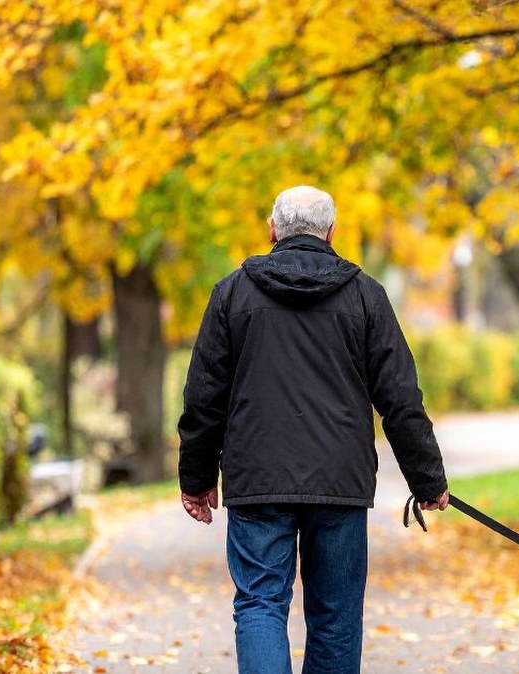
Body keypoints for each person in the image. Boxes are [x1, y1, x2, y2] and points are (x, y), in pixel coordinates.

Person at [177, 185, 450, 674]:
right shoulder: (367, 296)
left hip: (257, 480)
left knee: (260, 603)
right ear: (331, 232)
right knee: (335, 619)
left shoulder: (231, 294)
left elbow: (203, 399)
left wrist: (196, 479)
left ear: (272, 229)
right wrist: (427, 479)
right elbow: (400, 399)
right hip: (339, 483)